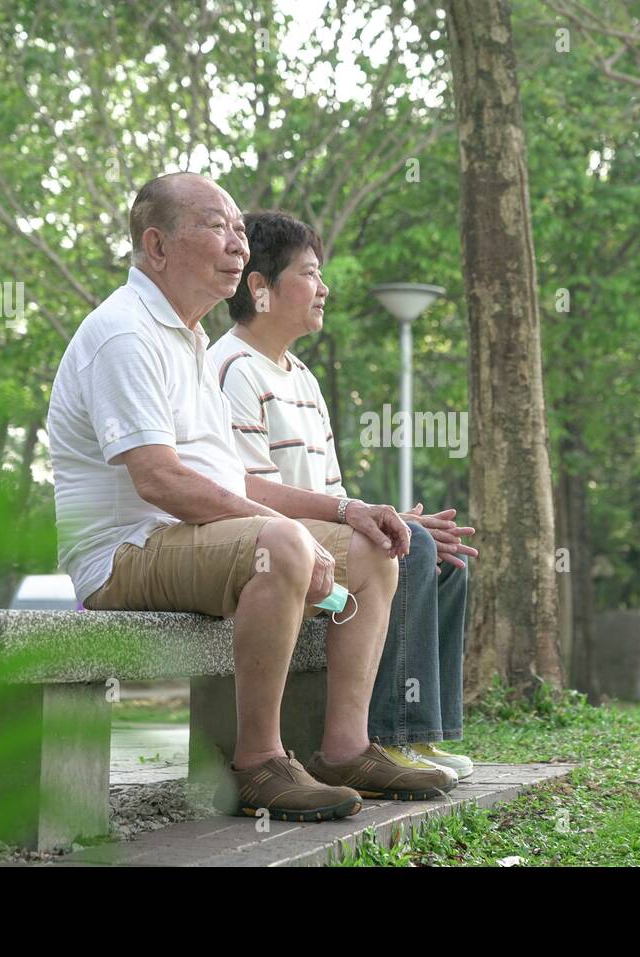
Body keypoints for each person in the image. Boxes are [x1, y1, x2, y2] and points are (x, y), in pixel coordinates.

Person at [46, 173, 454, 822]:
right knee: (278, 544)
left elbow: (234, 483)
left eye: (240, 229)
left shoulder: (192, 338)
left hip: (195, 538)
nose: (238, 244)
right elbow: (160, 481)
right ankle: (258, 763)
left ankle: (345, 747)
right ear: (156, 245)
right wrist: (282, 531)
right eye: (217, 226)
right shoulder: (125, 332)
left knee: (374, 551)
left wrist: (350, 512)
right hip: (127, 552)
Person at [208, 210, 478, 781]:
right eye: (309, 274)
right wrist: (358, 519)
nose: (324, 288)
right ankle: (384, 737)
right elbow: (249, 491)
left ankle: (422, 735)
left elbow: (330, 494)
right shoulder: (232, 368)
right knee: (407, 552)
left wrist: (392, 518)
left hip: (316, 539)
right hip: (268, 552)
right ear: (260, 288)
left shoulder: (301, 375)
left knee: (438, 556)